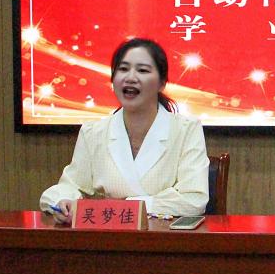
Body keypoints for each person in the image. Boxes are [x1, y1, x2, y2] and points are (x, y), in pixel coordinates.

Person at [40, 38, 209, 223]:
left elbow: (194, 200)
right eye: (123, 69)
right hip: (109, 236)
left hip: (165, 236)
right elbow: (69, 186)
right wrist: (63, 202)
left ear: (162, 83)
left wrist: (126, 206)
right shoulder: (93, 132)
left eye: (142, 70)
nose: (130, 77)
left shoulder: (186, 130)